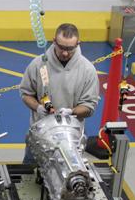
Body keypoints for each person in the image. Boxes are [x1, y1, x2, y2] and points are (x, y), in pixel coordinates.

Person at [19, 23, 100, 164]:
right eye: (61, 47)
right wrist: (38, 108)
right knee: (28, 176)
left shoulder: (88, 70)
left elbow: (89, 106)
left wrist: (71, 112)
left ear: (78, 44)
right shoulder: (38, 64)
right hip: (40, 136)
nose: (65, 53)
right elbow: (26, 94)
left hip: (71, 138)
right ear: (54, 41)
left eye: (70, 49)